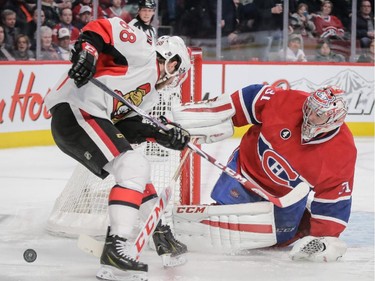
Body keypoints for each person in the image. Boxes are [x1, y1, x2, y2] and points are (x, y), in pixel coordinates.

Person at [44, 16, 191, 280]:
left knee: (134, 171)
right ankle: (116, 248)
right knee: (134, 165)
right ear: (172, 62)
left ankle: (161, 235)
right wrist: (88, 53)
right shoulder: (144, 52)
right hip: (76, 110)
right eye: (178, 75)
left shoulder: (151, 94)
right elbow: (102, 27)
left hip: (89, 116)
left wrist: (162, 134)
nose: (174, 82)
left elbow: (128, 127)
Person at [172, 84, 356, 262]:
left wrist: (324, 236)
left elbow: (334, 198)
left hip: (284, 196)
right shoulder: (287, 102)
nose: (309, 116)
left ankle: (300, 222)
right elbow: (253, 97)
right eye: (309, 108)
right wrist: (220, 112)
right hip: (245, 170)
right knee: (226, 217)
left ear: (334, 119)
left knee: (277, 240)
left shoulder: (341, 153)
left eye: (319, 115)